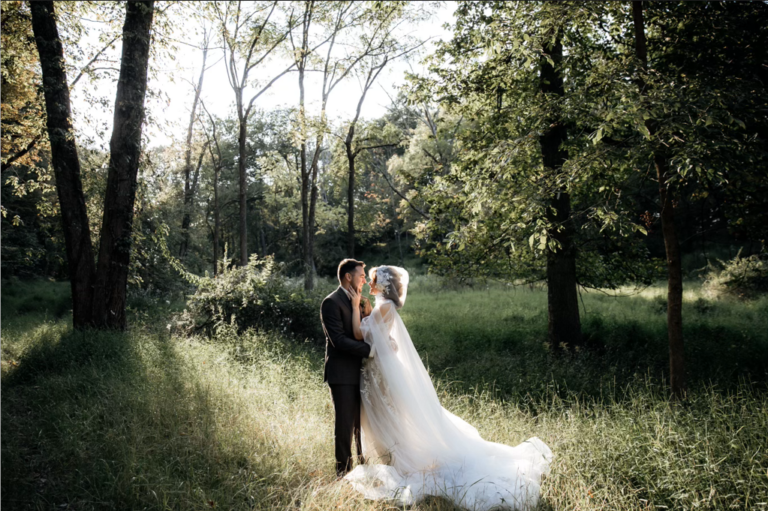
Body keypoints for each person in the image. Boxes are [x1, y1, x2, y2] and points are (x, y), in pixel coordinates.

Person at [344, 265, 553, 510]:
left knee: (388, 415)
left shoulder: (385, 307)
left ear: (384, 285)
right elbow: (379, 335)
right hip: (379, 367)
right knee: (388, 415)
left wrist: (355, 305)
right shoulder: (383, 307)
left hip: (380, 370)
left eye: (374, 281)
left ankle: (400, 463)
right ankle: (393, 460)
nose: (369, 285)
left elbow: (359, 333)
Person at [319, 259, 373, 477]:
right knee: (345, 426)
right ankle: (342, 474)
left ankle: (364, 470)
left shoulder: (360, 301)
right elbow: (338, 340)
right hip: (342, 374)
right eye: (361, 275)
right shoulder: (331, 302)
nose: (365, 280)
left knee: (363, 427)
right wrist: (370, 350)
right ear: (348, 277)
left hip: (365, 374)